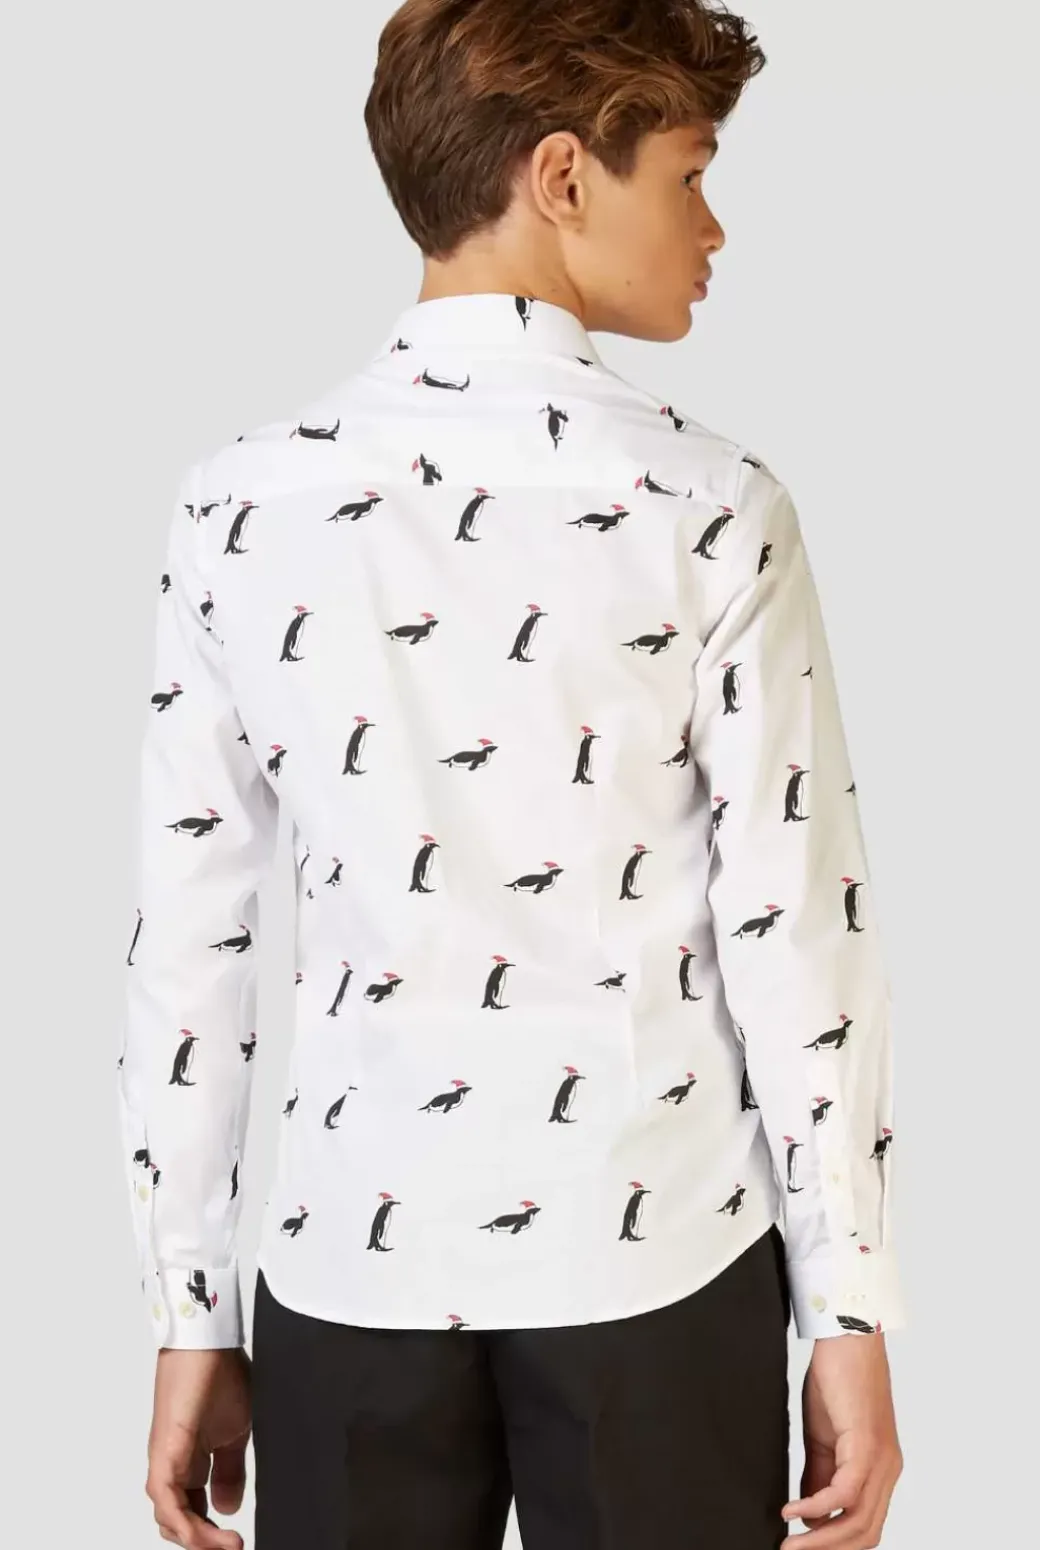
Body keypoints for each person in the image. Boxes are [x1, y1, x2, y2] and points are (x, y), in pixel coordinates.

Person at [117, 2, 908, 1547]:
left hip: (350, 1265)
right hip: (659, 1265)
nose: (715, 228)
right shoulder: (707, 504)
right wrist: (852, 1302)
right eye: (690, 174)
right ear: (561, 176)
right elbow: (799, 936)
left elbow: (188, 944)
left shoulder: (238, 509)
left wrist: (188, 1304)